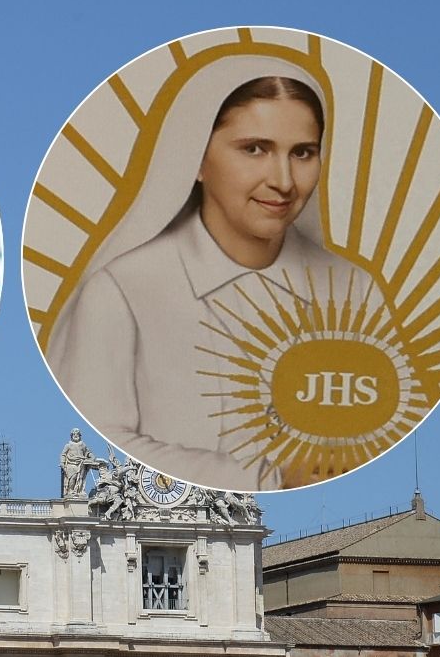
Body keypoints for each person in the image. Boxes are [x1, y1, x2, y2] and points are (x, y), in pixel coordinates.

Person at [47, 64, 356, 491]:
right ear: (196, 159)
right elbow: (106, 445)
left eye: (302, 152)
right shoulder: (119, 293)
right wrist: (269, 478)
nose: (283, 181)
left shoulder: (356, 292)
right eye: (254, 149)